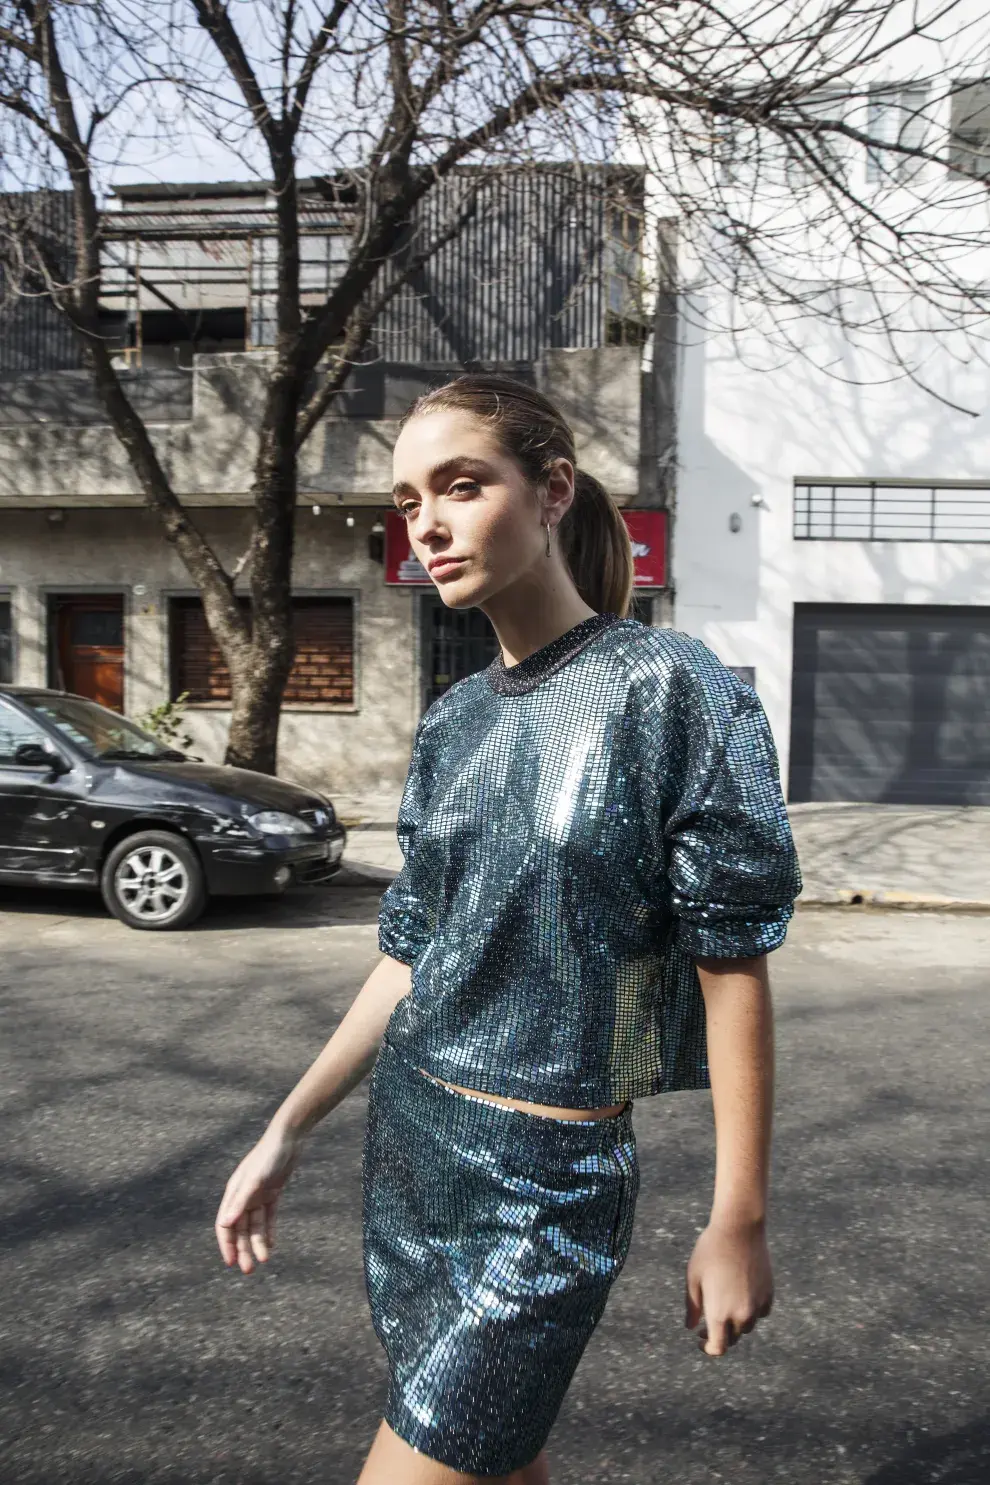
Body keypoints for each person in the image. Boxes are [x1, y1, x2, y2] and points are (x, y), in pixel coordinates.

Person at [215, 373, 803, 1485]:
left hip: (546, 1193)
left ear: (552, 491)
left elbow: (734, 965)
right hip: (416, 1157)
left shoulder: (671, 689)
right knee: (498, 1464)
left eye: (462, 485)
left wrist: (740, 1216)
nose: (428, 523)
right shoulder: (453, 721)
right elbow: (412, 953)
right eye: (406, 501)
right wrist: (285, 1129)